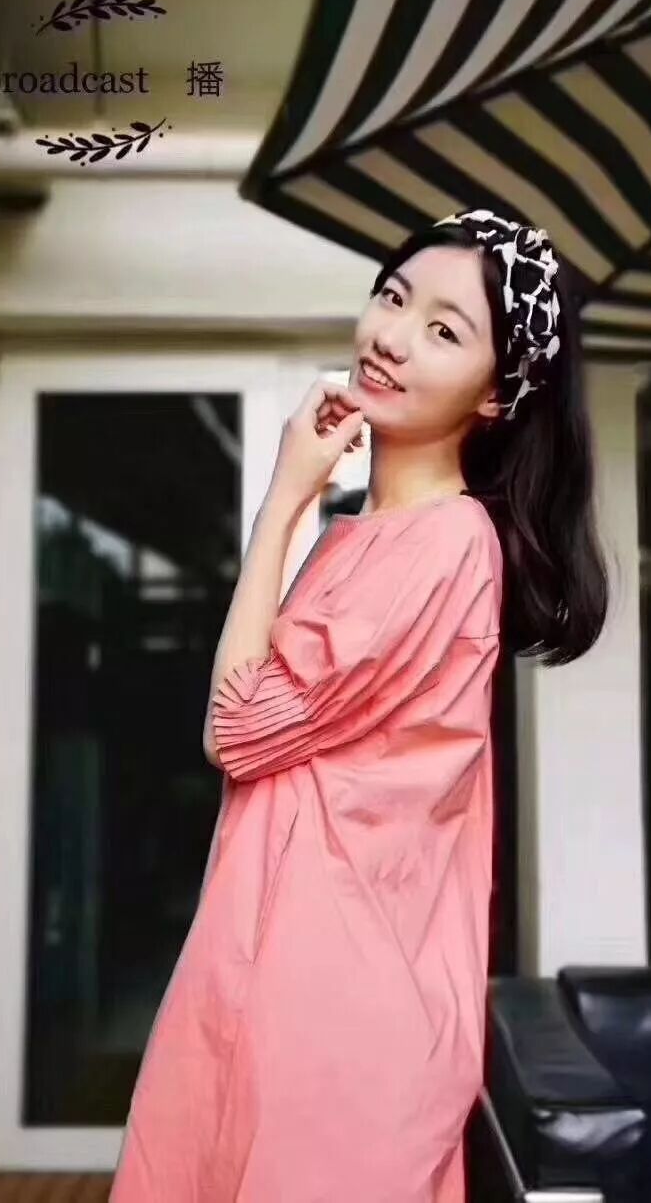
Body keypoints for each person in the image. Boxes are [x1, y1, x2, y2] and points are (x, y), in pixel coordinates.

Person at [109, 208, 609, 1202]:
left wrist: (282, 500)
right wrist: (305, 510)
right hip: (284, 970)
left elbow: (233, 730)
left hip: (338, 1013)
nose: (393, 336)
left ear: (498, 392)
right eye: (393, 296)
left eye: (444, 329)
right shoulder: (368, 537)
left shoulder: (445, 542)